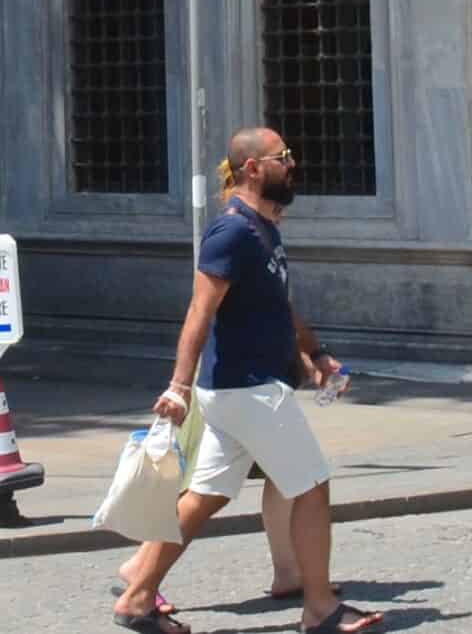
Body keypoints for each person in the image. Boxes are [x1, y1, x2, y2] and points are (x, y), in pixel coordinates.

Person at [112, 126, 382, 634]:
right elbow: (199, 310)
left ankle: (137, 595)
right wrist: (177, 386)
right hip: (247, 389)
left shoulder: (263, 229)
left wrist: (315, 353)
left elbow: (278, 307)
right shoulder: (232, 231)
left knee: (206, 495)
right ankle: (320, 607)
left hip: (241, 391)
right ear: (254, 167)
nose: (293, 165)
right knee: (312, 485)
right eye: (284, 156)